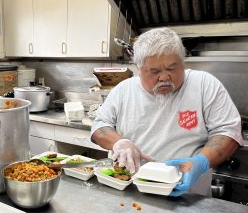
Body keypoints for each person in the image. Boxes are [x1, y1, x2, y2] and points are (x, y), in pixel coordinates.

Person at [91, 27, 243, 197]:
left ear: (182, 62)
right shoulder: (124, 90)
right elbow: (100, 126)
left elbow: (228, 132)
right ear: (138, 68)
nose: (164, 77)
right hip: (131, 193)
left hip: (188, 197)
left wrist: (201, 162)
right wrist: (120, 143)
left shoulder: (204, 84)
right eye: (155, 71)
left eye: (172, 68)